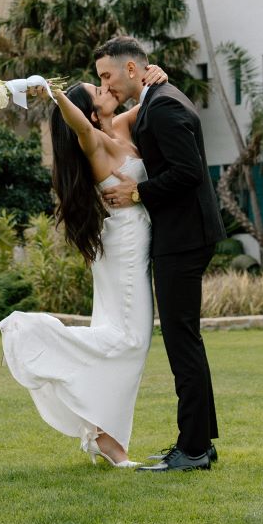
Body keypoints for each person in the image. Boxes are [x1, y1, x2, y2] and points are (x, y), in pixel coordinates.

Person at [0, 66, 166, 468]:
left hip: (125, 246)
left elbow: (150, 101)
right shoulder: (96, 144)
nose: (107, 87)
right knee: (128, 341)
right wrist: (52, 93)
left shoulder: (118, 127)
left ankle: (103, 435)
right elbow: (76, 124)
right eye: (99, 89)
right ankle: (32, 333)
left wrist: (154, 73)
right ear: (90, 113)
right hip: (124, 251)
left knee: (124, 339)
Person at [95, 36, 224, 472]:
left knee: (182, 342)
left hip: (184, 238)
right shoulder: (158, 98)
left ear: (132, 70)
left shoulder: (164, 105)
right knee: (186, 341)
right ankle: (197, 444)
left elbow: (188, 172)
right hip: (184, 236)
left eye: (106, 75)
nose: (104, 85)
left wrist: (139, 193)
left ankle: (192, 450)